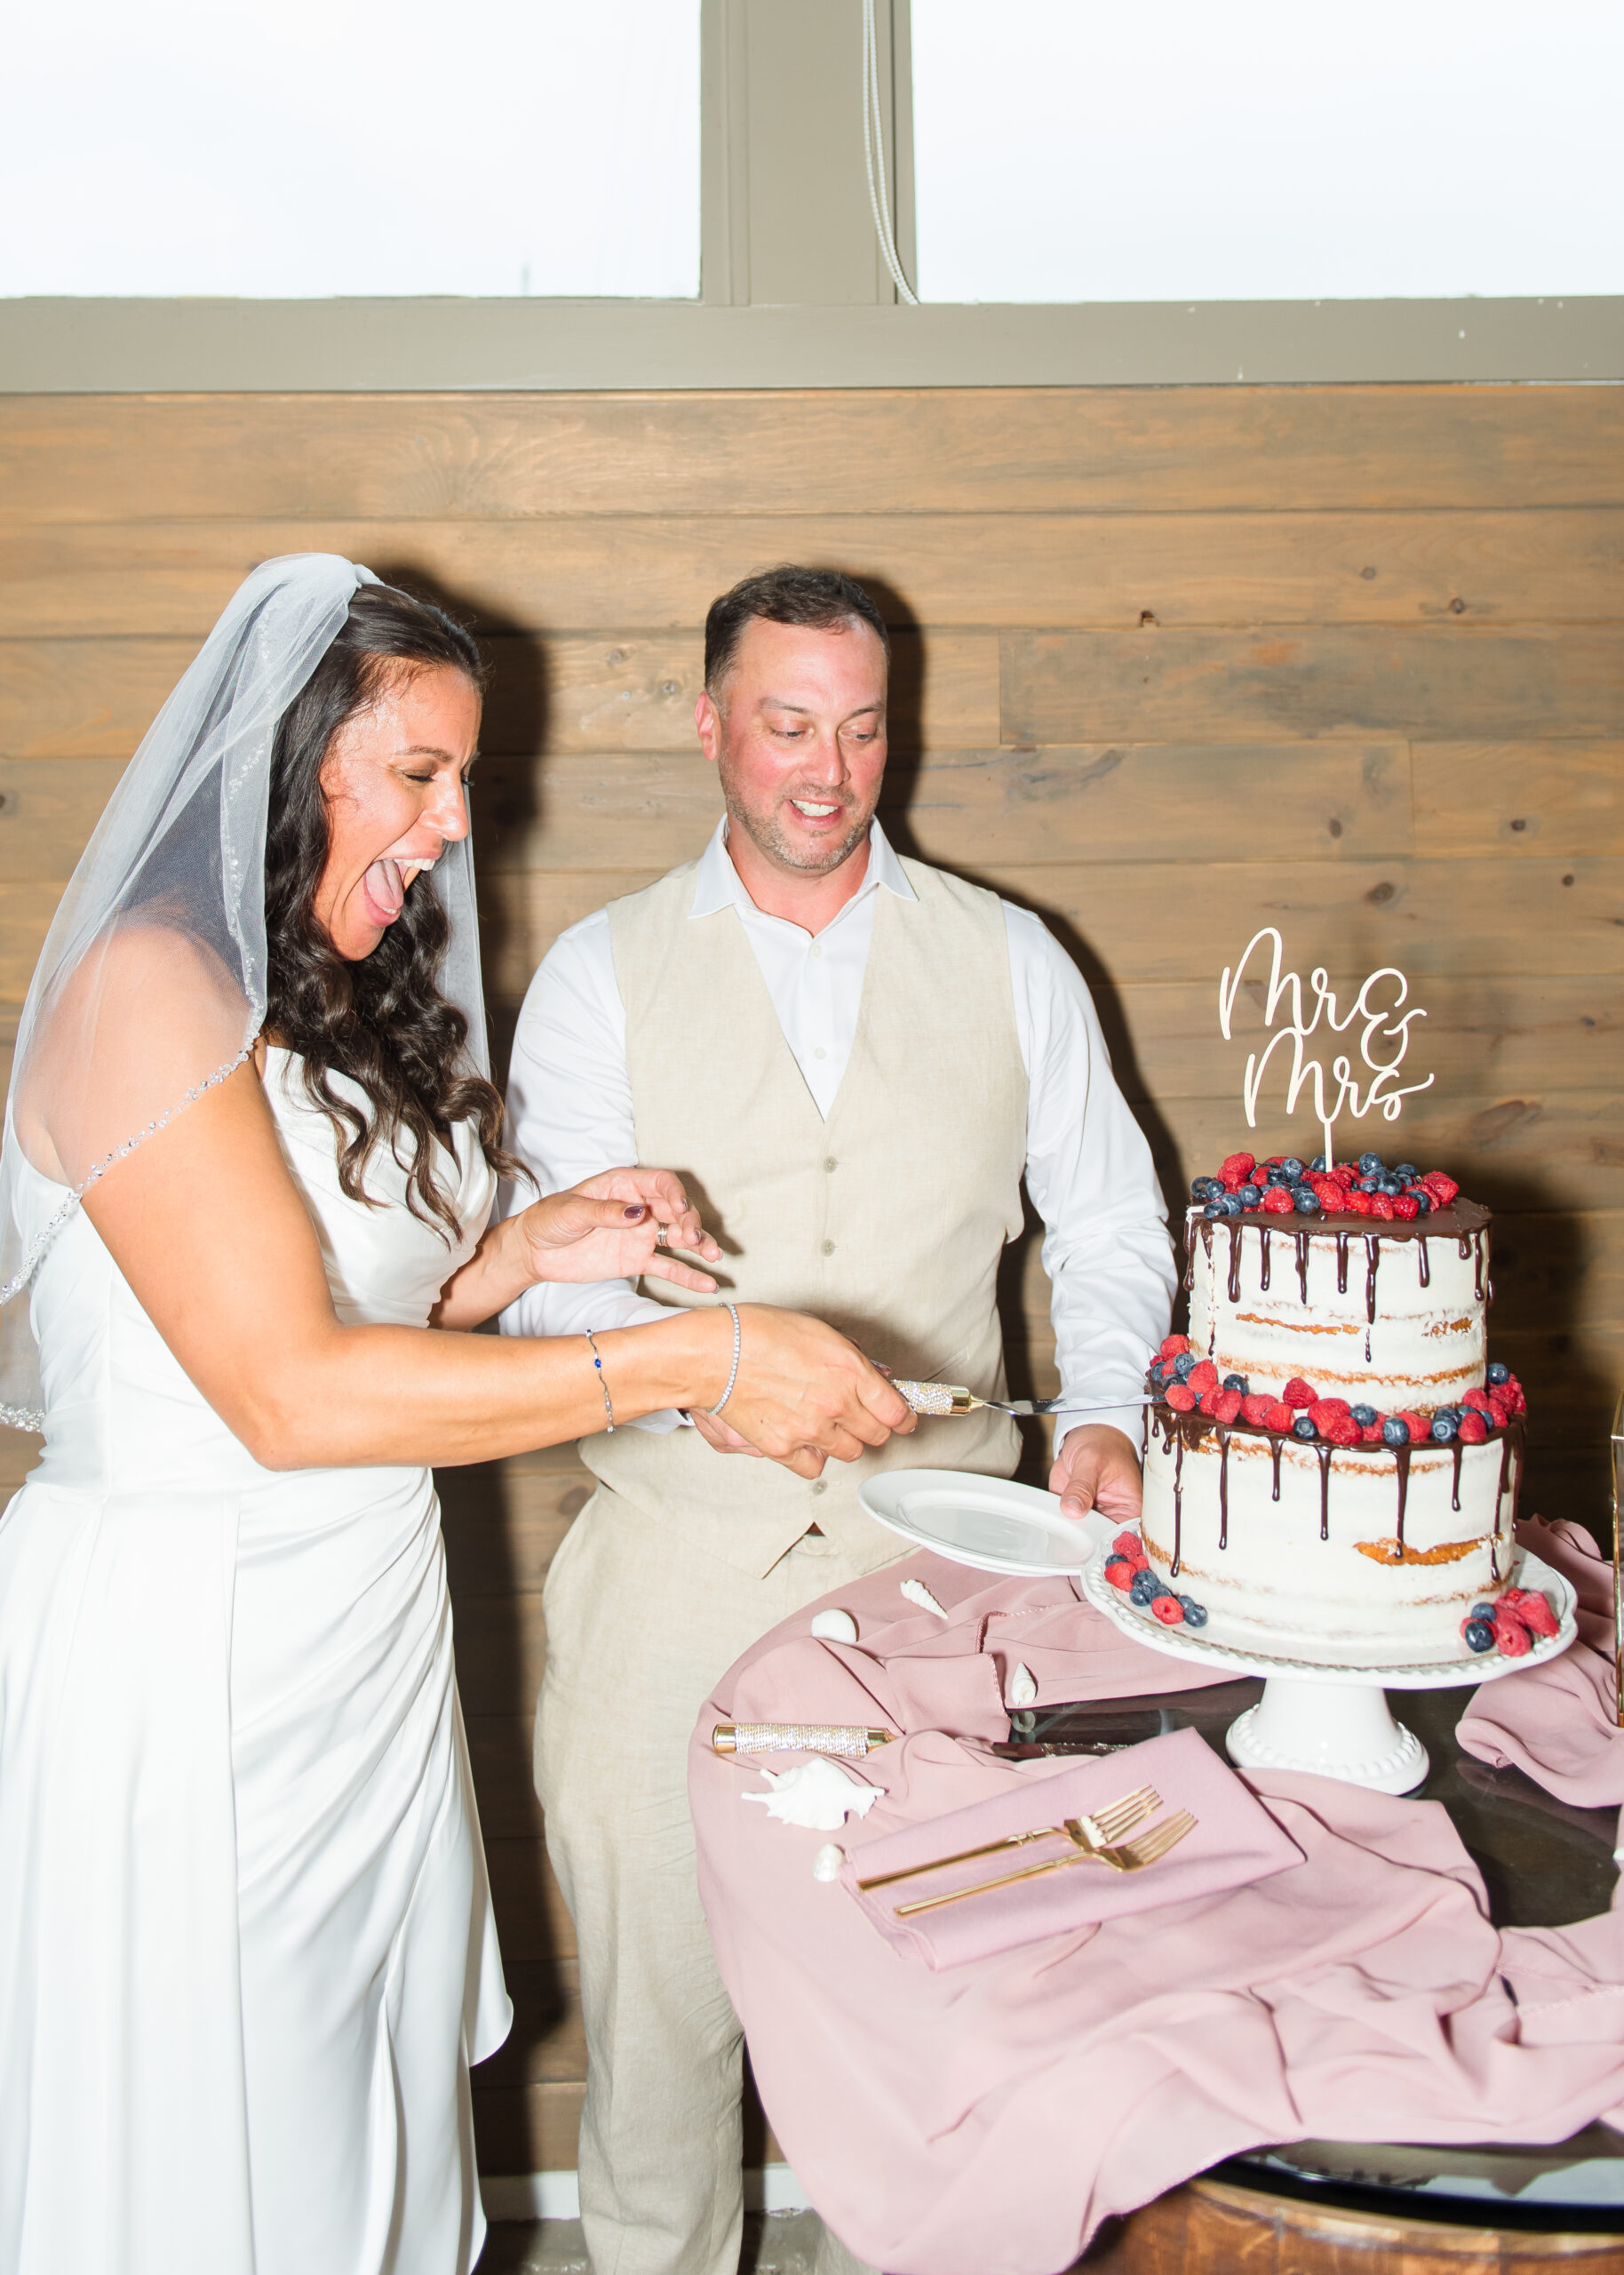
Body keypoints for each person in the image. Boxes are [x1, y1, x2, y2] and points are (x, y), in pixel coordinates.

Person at [0, 556, 912, 2275]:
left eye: (460, 783)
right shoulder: (143, 988)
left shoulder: (311, 1002)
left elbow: (344, 1310)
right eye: (415, 775)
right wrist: (694, 1362)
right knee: (220, 2136)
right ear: (290, 761)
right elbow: (282, 1391)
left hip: (352, 1645)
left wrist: (516, 1256)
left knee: (364, 2104)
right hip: (187, 1659)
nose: (443, 828)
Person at [501, 565, 1178, 2275]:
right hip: (666, 1562)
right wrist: (711, 1367)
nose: (827, 769)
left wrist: (1102, 1414)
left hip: (947, 1575)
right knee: (657, 2027)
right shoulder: (599, 973)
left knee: (951, 2006)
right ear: (712, 720)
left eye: (863, 729)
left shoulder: (1013, 959)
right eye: (789, 724)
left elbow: (1107, 1224)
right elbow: (546, 1286)